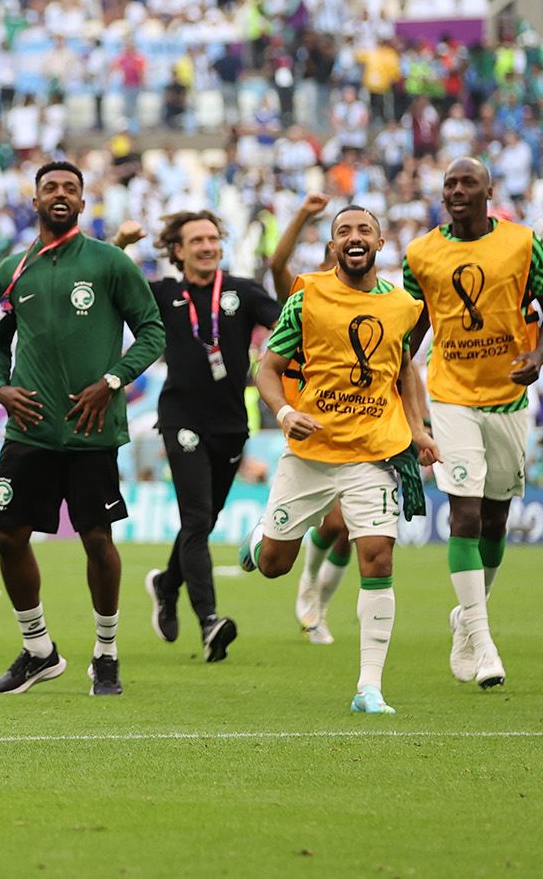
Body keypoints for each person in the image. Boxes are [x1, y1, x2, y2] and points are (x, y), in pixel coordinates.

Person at [242, 206, 438, 714]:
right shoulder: (308, 296)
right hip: (310, 452)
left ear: (380, 242)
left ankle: (368, 688)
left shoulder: (402, 304)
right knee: (272, 566)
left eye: (363, 231)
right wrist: (284, 413)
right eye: (343, 232)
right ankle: (261, 538)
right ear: (333, 247)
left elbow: (405, 372)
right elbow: (269, 368)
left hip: (373, 453)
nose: (354, 238)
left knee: (378, 555)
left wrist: (418, 431)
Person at [0, 161, 166, 697]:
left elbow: (152, 331)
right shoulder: (11, 271)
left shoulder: (110, 264)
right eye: (50, 188)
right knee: (9, 535)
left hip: (92, 431)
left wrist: (112, 381)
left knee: (97, 538)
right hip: (29, 430)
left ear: (84, 204)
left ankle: (106, 654)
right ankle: (38, 650)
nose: (60, 195)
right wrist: (1, 388)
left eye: (70, 189)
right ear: (34, 201)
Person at [403, 157, 543, 689]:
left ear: (488, 191)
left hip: (508, 399)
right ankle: (484, 638)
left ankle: (465, 621)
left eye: (467, 182)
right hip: (450, 397)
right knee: (465, 516)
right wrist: (389, 384)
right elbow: (412, 330)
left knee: (495, 522)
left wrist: (538, 357)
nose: (455, 189)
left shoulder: (523, 243)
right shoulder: (421, 253)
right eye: (448, 182)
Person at [118, 210, 279, 663]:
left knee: (203, 521)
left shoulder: (243, 291)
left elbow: (288, 322)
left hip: (231, 425)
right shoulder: (163, 294)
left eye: (213, 238)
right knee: (195, 518)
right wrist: (122, 244)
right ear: (178, 251)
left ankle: (166, 586)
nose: (207, 246)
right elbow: (111, 287)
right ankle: (209, 621)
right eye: (197, 240)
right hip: (180, 419)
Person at [270, 191, 352, 644]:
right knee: (334, 524)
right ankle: (306, 584)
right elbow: (276, 264)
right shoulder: (305, 293)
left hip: (363, 423)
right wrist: (303, 213)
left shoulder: (374, 299)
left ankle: (317, 606)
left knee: (351, 532)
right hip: (311, 423)